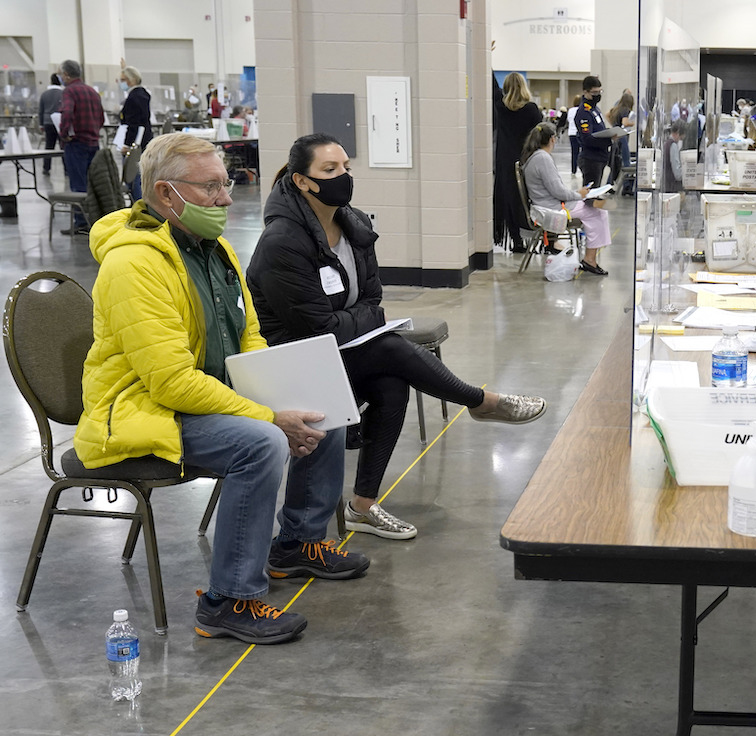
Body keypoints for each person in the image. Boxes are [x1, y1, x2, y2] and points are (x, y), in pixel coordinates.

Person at [76, 133, 369, 645]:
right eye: (211, 187)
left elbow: (248, 335)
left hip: (203, 395)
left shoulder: (215, 250)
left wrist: (278, 392)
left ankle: (297, 544)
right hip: (144, 410)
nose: (227, 199)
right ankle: (228, 601)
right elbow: (171, 383)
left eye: (225, 183)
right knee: (262, 442)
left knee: (321, 407)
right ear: (166, 194)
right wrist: (267, 414)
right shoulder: (134, 265)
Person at [247, 134, 547, 540]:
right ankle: (480, 401)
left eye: (346, 167)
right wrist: (363, 319)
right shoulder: (282, 241)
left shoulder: (353, 224)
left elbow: (373, 299)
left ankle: (362, 506)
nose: (343, 176)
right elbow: (319, 328)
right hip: (295, 361)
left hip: (340, 351)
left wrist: (359, 318)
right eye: (329, 170)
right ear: (302, 181)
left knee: (391, 383)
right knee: (388, 348)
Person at [520, 123, 614, 276]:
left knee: (596, 209)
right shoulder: (543, 158)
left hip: (547, 205)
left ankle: (590, 258)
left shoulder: (535, 157)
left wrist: (577, 194)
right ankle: (590, 260)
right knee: (598, 212)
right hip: (552, 209)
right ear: (552, 139)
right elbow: (558, 192)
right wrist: (580, 195)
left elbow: (555, 189)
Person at [492, 71, 542, 251]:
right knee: (529, 198)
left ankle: (516, 239)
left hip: (504, 160)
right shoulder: (531, 110)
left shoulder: (500, 107)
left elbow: (492, 87)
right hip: (527, 159)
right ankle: (536, 235)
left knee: (509, 199)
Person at [57, 59, 104, 235]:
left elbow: (67, 112)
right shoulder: (92, 91)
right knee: (92, 183)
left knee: (78, 184)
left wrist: (63, 133)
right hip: (93, 143)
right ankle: (95, 219)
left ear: (66, 75)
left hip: (76, 143)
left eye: (61, 74)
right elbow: (101, 118)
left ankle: (81, 222)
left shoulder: (69, 91)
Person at [117, 65, 154, 202]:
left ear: (131, 80)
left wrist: (127, 144)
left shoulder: (134, 97)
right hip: (145, 139)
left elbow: (133, 124)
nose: (121, 83)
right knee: (140, 177)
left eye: (123, 80)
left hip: (135, 142)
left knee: (133, 178)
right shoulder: (143, 94)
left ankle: (138, 204)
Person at [575, 76, 612, 193]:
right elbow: (587, 138)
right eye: (594, 92)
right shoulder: (584, 112)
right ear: (585, 92)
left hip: (600, 156)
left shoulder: (595, 109)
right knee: (590, 194)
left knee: (596, 192)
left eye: (599, 92)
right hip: (591, 159)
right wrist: (609, 140)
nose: (598, 95)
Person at [37, 73, 63, 174]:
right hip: (60, 122)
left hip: (48, 122)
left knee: (49, 146)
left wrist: (41, 124)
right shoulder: (63, 93)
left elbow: (41, 110)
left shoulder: (44, 94)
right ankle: (66, 169)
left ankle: (46, 168)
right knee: (63, 146)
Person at [608, 91, 634, 173]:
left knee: (615, 163)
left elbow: (607, 114)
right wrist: (632, 123)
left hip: (616, 134)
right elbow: (625, 123)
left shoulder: (616, 109)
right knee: (626, 160)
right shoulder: (626, 110)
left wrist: (613, 125)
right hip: (622, 135)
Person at [662, 123, 684, 194]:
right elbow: (677, 174)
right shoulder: (673, 146)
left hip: (666, 184)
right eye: (680, 137)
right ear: (677, 133)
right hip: (672, 186)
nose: (680, 139)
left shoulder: (666, 143)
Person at [566, 95, 582, 177]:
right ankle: (582, 168)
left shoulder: (570, 110)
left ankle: (573, 170)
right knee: (582, 151)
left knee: (574, 152)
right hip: (579, 133)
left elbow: (568, 120)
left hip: (571, 133)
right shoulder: (581, 110)